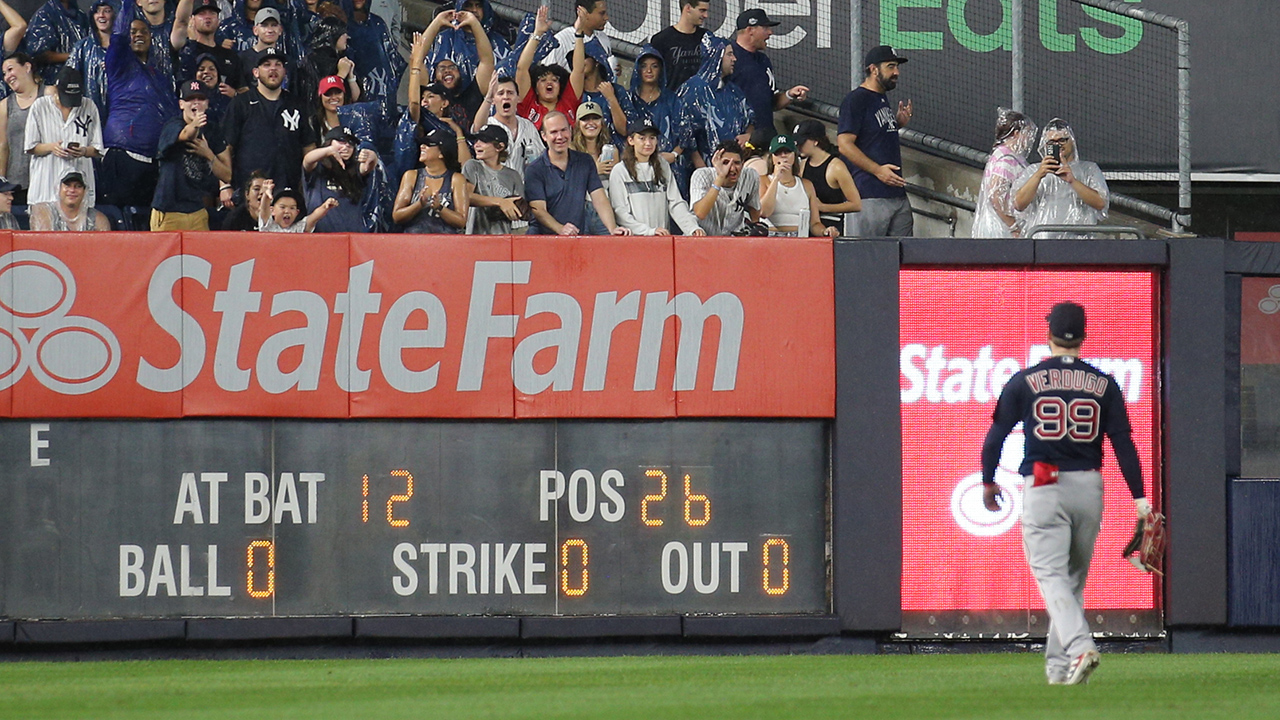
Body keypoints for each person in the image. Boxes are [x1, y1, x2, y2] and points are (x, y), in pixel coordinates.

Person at [981, 301, 1150, 686]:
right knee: (1072, 581)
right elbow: (1124, 443)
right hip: (1090, 483)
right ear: (1084, 337)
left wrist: (989, 481)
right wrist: (1140, 498)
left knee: (1049, 573)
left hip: (1045, 477)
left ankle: (1079, 647)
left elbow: (995, 439)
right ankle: (1059, 673)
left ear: (1049, 335)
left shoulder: (1026, 380)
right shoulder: (1104, 383)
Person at [100, 11, 180, 209]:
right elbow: (117, 38)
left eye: (144, 31)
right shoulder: (119, 64)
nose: (138, 35)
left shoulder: (158, 75)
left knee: (145, 227)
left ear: (151, 38)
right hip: (124, 157)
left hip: (152, 163)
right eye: (133, 31)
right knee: (120, 224)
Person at [837, 45, 914, 237]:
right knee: (867, 258)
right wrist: (878, 171)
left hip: (896, 193)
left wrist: (897, 123)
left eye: (897, 67)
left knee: (900, 259)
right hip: (868, 194)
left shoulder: (881, 98)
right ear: (873, 69)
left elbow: (873, 136)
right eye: (890, 66)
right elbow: (844, 145)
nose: (896, 72)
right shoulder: (856, 99)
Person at [223, 47, 313, 191]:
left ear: (285, 72)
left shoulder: (296, 104)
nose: (273, 69)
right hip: (250, 190)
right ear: (256, 72)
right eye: (267, 65)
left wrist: (308, 183)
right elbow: (226, 147)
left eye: (278, 64)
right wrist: (225, 185)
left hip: (288, 191)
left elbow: (308, 146)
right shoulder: (241, 103)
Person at [524, 110, 627, 236]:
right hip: (542, 241)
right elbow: (538, 209)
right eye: (554, 132)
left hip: (576, 238)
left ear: (571, 131)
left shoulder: (585, 161)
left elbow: (599, 198)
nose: (560, 136)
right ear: (544, 136)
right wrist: (560, 229)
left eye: (564, 130)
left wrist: (612, 229)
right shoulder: (534, 169)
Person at [152, 80, 232, 230]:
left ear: (207, 103)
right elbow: (185, 135)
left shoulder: (213, 130)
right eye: (190, 99)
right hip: (169, 210)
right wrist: (195, 124)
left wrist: (208, 154)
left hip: (198, 210)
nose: (195, 103)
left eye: (200, 99)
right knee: (166, 254)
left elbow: (227, 175)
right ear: (181, 104)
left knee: (198, 254)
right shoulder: (172, 125)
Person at [1012, 118, 1109, 239]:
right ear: (1045, 145)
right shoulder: (1033, 170)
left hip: (1079, 242)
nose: (1058, 145)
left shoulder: (1089, 169)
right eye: (1052, 142)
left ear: (1072, 141)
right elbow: (1018, 204)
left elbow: (1101, 203)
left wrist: (1072, 181)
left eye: (1062, 140)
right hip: (1042, 241)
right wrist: (1039, 175)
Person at [24, 66, 104, 206]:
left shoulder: (89, 106)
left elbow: (98, 148)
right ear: (56, 89)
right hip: (45, 189)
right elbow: (30, 147)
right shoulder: (40, 106)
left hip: (78, 189)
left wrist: (83, 151)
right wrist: (52, 147)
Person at [728, 8, 807, 146]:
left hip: (766, 139)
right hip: (740, 142)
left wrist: (789, 95)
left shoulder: (763, 60)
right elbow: (718, 103)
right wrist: (742, 134)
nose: (770, 32)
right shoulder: (729, 58)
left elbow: (771, 103)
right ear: (750, 30)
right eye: (765, 28)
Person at [608, 121, 701, 237]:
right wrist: (648, 231)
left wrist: (692, 228)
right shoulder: (620, 171)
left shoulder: (662, 166)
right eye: (642, 138)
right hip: (634, 241)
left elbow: (675, 202)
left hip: (661, 239)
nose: (648, 143)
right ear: (631, 140)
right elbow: (620, 212)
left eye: (652, 138)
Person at [678, 37, 752, 169]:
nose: (734, 59)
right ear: (716, 57)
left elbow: (751, 120)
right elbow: (685, 135)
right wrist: (701, 168)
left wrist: (748, 136)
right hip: (704, 170)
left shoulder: (734, 91)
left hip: (734, 169)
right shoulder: (692, 90)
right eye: (729, 54)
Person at [628, 45, 689, 196]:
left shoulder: (672, 99)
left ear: (661, 69)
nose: (649, 71)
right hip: (636, 166)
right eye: (644, 66)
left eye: (654, 66)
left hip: (669, 167)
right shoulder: (629, 100)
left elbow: (685, 132)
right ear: (637, 69)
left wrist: (673, 155)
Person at [971, 108, 1038, 238]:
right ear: (1017, 133)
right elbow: (996, 194)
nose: (1030, 139)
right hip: (1003, 230)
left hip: (999, 227)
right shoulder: (1007, 158)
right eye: (1028, 133)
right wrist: (1014, 227)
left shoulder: (1002, 154)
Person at [515, 5, 585, 130]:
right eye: (542, 80)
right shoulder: (528, 103)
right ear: (535, 88)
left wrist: (579, 33)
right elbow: (522, 68)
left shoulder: (568, 102)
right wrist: (537, 33)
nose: (549, 82)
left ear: (561, 86)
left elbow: (579, 71)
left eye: (554, 80)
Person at [392, 126, 469, 234]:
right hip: (414, 243)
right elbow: (397, 216)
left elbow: (461, 221)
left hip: (445, 245)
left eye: (428, 144)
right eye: (422, 143)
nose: (422, 146)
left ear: (442, 153)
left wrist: (440, 208)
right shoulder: (411, 176)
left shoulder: (456, 179)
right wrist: (419, 204)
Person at [302, 125, 378, 232]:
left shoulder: (354, 169)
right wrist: (329, 151)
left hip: (352, 238)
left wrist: (372, 157)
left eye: (351, 143)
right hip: (321, 236)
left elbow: (367, 167)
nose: (347, 146)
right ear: (329, 142)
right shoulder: (318, 167)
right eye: (341, 141)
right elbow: (308, 160)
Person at [757, 134, 836, 237]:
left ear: (794, 155)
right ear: (772, 157)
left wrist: (825, 231)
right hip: (771, 236)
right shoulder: (763, 180)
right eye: (778, 153)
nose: (783, 156)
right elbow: (764, 212)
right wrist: (776, 179)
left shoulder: (806, 185)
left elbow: (814, 223)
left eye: (787, 152)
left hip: (799, 236)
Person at [793, 119, 860, 235]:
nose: (798, 146)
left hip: (832, 228)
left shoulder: (836, 167)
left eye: (802, 142)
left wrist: (823, 207)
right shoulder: (802, 165)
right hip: (807, 226)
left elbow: (855, 204)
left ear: (815, 141)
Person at [0, 53, 50, 204]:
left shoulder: (49, 94)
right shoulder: (4, 106)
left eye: (10, 69)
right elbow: (3, 146)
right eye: (4, 74)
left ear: (27, 67)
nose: (7, 77)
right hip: (18, 183)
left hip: (47, 180)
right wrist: (1, 183)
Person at [341, 0, 406, 115]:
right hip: (351, 93)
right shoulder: (340, 23)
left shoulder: (377, 23)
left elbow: (391, 60)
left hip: (383, 93)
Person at [472, 73, 543, 176]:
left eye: (510, 93)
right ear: (493, 100)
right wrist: (488, 96)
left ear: (518, 98)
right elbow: (477, 129)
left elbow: (540, 156)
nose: (506, 97)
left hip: (524, 188)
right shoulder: (488, 124)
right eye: (500, 93)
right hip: (495, 188)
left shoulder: (528, 126)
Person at [462, 123, 527, 234]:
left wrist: (519, 210)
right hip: (475, 238)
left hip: (502, 239)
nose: (476, 145)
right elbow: (465, 197)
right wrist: (500, 202)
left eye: (483, 141)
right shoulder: (472, 166)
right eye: (476, 141)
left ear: (499, 147)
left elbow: (519, 209)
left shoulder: (513, 176)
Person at [689, 138, 759, 236]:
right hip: (702, 239)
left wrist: (756, 228)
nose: (732, 168)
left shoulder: (750, 175)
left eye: (737, 163)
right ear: (716, 162)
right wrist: (720, 177)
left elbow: (754, 210)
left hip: (733, 241)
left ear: (743, 164)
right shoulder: (701, 175)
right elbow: (700, 213)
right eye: (726, 163)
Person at [173, 0, 242, 95]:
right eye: (202, 13)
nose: (207, 17)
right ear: (192, 19)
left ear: (218, 20)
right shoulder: (185, 51)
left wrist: (235, 94)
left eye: (212, 13)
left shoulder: (230, 55)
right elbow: (181, 21)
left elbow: (244, 88)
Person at [25, 0, 93, 85]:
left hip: (81, 78)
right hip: (54, 81)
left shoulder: (80, 16)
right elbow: (40, 54)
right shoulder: (44, 15)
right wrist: (75, 56)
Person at [66, 1, 112, 124]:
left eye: (107, 11)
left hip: (120, 116)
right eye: (97, 11)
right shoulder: (82, 47)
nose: (101, 15)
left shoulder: (126, 47)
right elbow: (68, 79)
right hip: (89, 116)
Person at [546, 0, 617, 78]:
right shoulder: (561, 40)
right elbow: (546, 74)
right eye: (602, 13)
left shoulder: (603, 38)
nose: (606, 18)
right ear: (583, 12)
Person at [648, 0, 708, 91]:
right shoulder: (661, 40)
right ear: (688, 8)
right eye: (702, 10)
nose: (706, 15)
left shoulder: (707, 38)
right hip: (670, 102)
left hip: (700, 102)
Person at [30, 171, 110, 230]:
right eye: (67, 185)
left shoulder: (98, 219)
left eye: (78, 186)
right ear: (58, 188)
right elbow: (42, 246)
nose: (72, 190)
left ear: (85, 191)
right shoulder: (44, 212)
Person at [257, 179, 337, 231]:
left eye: (292, 208)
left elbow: (314, 217)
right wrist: (266, 195)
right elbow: (264, 209)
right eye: (282, 207)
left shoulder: (299, 228)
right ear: (272, 210)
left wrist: (325, 207)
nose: (287, 211)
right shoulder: (268, 225)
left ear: (297, 212)